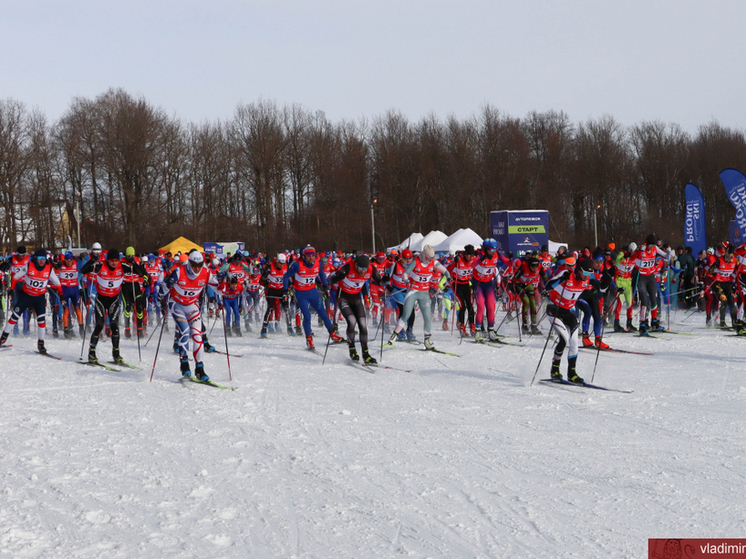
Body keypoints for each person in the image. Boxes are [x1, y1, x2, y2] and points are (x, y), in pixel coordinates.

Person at [159, 251, 219, 380]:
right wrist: (167, 284)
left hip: (192, 306)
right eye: (194, 265)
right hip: (177, 305)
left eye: (199, 265)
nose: (197, 268)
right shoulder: (179, 271)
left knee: (198, 336)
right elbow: (163, 290)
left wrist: (224, 282)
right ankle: (184, 364)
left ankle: (200, 369)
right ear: (189, 263)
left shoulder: (205, 272)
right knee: (185, 331)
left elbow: (219, 289)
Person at [387, 245, 452, 350]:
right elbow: (405, 274)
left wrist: (448, 277)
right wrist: (406, 281)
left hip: (424, 293)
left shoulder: (433, 262)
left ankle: (427, 341)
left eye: (431, 258)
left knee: (427, 317)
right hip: (413, 291)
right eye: (428, 258)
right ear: (423, 255)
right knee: (406, 314)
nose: (429, 260)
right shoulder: (416, 261)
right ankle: (394, 335)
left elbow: (445, 270)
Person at [0, 249, 63, 354]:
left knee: (41, 320)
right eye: (39, 258)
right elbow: (15, 277)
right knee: (15, 316)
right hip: (26, 296)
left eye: (44, 258)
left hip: (39, 298)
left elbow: (57, 283)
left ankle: (41, 344)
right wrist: (11, 289)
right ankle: (3, 337)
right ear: (36, 258)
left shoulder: (49, 269)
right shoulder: (29, 266)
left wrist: (62, 295)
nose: (41, 261)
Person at [283, 245, 345, 350]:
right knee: (307, 316)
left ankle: (333, 335)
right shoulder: (298, 265)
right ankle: (309, 339)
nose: (311, 258)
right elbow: (285, 276)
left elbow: (321, 274)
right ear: (304, 256)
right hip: (301, 293)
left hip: (313, 292)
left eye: (313, 255)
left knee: (323, 314)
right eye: (308, 256)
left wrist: (325, 285)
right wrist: (285, 290)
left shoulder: (318, 263)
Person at [544, 256, 593, 383]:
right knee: (564, 339)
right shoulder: (566, 274)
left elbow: (601, 287)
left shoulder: (587, 280)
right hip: (554, 309)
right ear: (579, 270)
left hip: (568, 312)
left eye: (590, 273)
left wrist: (615, 288)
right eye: (586, 273)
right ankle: (555, 370)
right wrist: (561, 280)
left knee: (574, 342)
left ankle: (572, 373)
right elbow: (547, 286)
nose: (587, 276)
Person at [329, 254, 385, 364]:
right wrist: (337, 278)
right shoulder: (348, 267)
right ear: (356, 265)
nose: (363, 271)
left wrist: (385, 281)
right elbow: (331, 279)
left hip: (356, 298)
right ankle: (352, 349)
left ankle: (366, 354)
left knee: (363, 324)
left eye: (365, 268)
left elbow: (379, 281)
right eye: (360, 268)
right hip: (343, 297)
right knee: (352, 320)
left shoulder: (371, 269)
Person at [80, 249, 128, 365]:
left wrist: (135, 263)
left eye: (116, 260)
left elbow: (140, 272)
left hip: (114, 300)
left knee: (114, 325)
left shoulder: (122, 266)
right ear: (108, 260)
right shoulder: (101, 265)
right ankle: (92, 353)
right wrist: (92, 261)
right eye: (112, 260)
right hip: (101, 300)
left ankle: (116, 354)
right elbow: (83, 270)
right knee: (100, 325)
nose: (114, 263)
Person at [631, 234, 670, 334]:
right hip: (642, 277)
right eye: (650, 246)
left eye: (653, 246)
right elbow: (632, 259)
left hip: (651, 277)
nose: (651, 248)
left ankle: (654, 321)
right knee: (644, 302)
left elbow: (665, 256)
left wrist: (669, 253)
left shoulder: (655, 249)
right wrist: (640, 251)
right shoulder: (642, 250)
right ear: (646, 244)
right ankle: (642, 324)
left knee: (654, 299)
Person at [447, 244, 476, 337]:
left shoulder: (473, 260)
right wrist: (454, 263)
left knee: (470, 306)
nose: (471, 258)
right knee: (462, 306)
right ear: (465, 254)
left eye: (472, 256)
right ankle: (461, 325)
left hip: (466, 284)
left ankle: (472, 325)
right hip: (457, 284)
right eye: (469, 256)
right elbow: (447, 270)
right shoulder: (459, 260)